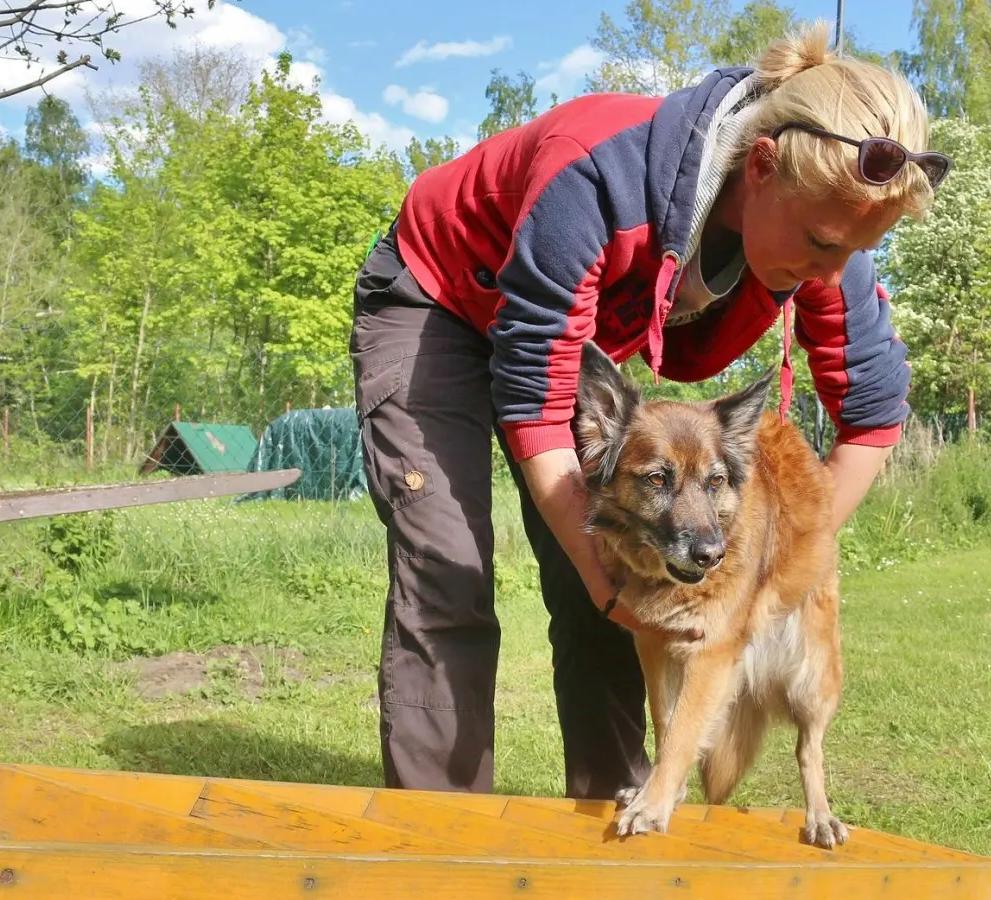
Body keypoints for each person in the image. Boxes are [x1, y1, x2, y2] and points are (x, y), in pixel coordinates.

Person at [347, 21, 947, 800]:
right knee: (453, 570)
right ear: (760, 166)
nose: (831, 273)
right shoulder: (601, 172)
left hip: (568, 343)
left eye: (851, 255)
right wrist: (610, 581)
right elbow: (534, 386)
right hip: (437, 301)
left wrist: (783, 559)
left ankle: (622, 816)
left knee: (618, 589)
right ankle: (439, 834)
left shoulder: (830, 248)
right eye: (822, 243)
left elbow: (871, 416)